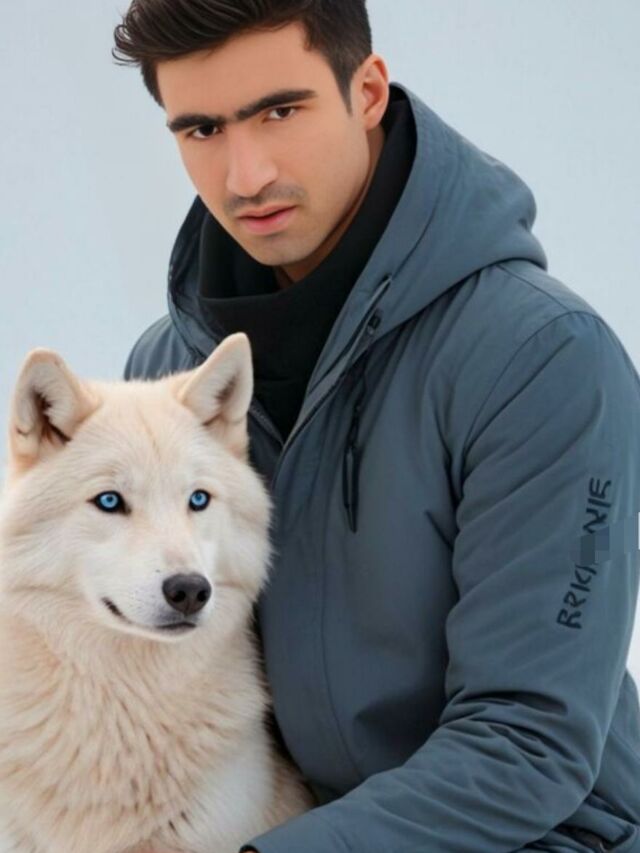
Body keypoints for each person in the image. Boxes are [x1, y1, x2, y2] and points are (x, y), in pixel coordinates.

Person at [113, 2, 640, 850]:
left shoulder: (541, 358)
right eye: (203, 129)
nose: (245, 175)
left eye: (280, 111)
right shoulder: (172, 376)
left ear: (366, 91)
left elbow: (530, 742)